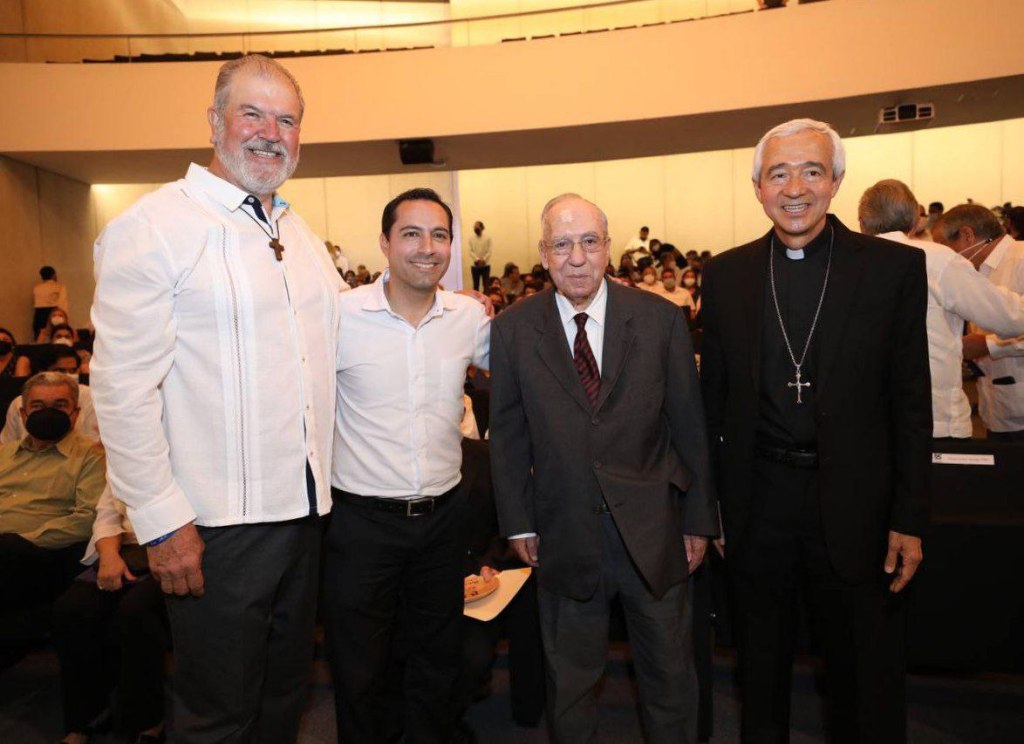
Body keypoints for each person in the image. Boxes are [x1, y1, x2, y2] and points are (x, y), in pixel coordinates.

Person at [90, 54, 343, 742]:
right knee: (217, 716)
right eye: (251, 113)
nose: (270, 132)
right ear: (213, 122)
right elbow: (121, 390)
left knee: (282, 700)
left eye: (286, 119)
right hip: (216, 530)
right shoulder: (154, 228)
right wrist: (162, 521)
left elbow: (339, 338)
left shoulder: (296, 231)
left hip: (304, 514)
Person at [700, 119, 931, 743]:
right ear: (756, 187)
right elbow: (711, 406)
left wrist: (910, 514)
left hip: (858, 502)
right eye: (778, 173)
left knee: (864, 674)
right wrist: (711, 506)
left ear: (835, 182)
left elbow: (912, 403)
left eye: (810, 171)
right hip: (758, 500)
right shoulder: (727, 277)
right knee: (760, 669)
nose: (794, 187)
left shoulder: (894, 271)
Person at [489, 193, 717, 743]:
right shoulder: (515, 329)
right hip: (563, 531)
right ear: (543, 254)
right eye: (562, 244)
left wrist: (699, 520)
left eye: (589, 242)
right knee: (570, 682)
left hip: (655, 531)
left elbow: (689, 427)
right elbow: (510, 435)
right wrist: (518, 521)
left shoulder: (660, 320)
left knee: (669, 677)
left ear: (608, 248)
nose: (576, 257)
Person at [325, 188, 489, 744]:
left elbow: (525, 366)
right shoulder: (339, 316)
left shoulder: (468, 317)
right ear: (385, 242)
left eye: (439, 235)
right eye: (411, 234)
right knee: (360, 666)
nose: (427, 247)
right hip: (360, 524)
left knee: (438, 659)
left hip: (444, 521)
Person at [859, 180, 1024, 439]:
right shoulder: (938, 260)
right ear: (915, 221)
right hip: (934, 420)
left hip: (867, 422)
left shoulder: (842, 265)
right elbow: (1012, 318)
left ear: (862, 222)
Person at [52, 485, 168, 744]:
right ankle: (84, 717)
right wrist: (109, 555)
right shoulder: (122, 457)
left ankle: (148, 720)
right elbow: (106, 518)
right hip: (124, 549)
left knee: (136, 610)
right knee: (72, 608)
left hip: (173, 550)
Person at [0, 372, 105, 638]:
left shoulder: (91, 457)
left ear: (75, 413)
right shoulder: (4, 454)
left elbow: (85, 519)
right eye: (37, 407)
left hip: (46, 556)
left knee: (8, 549)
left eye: (59, 406)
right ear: (23, 414)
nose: (48, 413)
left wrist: (21, 539)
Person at [931, 204, 1024, 441]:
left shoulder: (1020, 259)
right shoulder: (975, 271)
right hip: (998, 409)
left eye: (943, 245)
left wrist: (987, 345)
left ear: (967, 235)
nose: (942, 254)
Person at [2, 345, 99, 446]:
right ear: (42, 372)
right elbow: (6, 445)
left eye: (73, 371)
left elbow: (94, 445)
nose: (69, 376)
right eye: (60, 371)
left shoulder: (91, 397)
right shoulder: (19, 402)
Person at [33, 265, 69, 339]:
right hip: (53, 313)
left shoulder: (36, 288)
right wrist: (65, 319)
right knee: (56, 335)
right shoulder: (59, 287)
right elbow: (63, 304)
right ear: (54, 275)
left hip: (38, 314)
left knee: (39, 336)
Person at [468, 220, 493, 292]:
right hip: (475, 265)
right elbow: (470, 251)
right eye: (474, 226)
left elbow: (489, 250)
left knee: (486, 285)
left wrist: (484, 259)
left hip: (486, 265)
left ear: (482, 227)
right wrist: (477, 259)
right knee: (476, 285)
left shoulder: (488, 238)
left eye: (477, 226)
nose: (475, 228)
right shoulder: (471, 238)